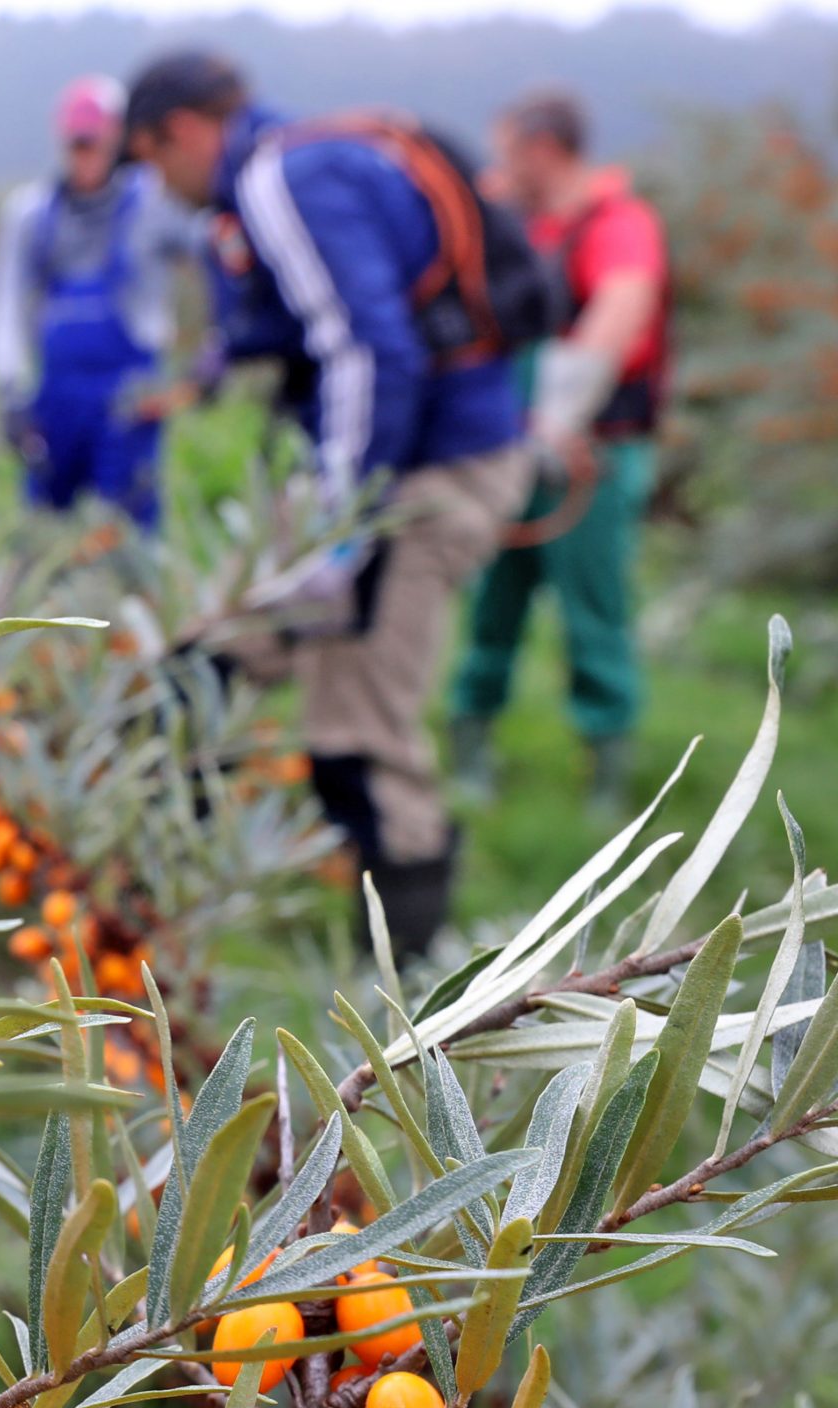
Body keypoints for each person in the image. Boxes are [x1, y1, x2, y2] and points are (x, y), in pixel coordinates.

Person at [125, 52, 536, 955]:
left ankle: (401, 1011)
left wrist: (339, 532)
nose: (158, 184)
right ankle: (155, 917)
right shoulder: (292, 173)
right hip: (395, 466)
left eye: (152, 162)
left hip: (413, 482)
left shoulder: (282, 176)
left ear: (182, 131)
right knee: (204, 657)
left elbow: (366, 350)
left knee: (359, 740)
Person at [449, 87, 670, 812]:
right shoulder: (525, 225)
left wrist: (555, 416)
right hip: (510, 453)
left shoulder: (618, 224)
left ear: (543, 149)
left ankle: (606, 780)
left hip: (589, 460)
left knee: (593, 615)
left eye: (510, 151)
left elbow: (620, 312)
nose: (501, 167)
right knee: (491, 609)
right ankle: (470, 753)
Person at [0, 75, 200, 529]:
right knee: (41, 533)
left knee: (128, 534)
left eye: (93, 145)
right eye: (76, 145)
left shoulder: (155, 204)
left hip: (131, 397)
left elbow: (213, 260)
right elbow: (6, 304)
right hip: (56, 398)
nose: (84, 156)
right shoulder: (32, 214)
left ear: (117, 140)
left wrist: (207, 357)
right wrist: (8, 389)